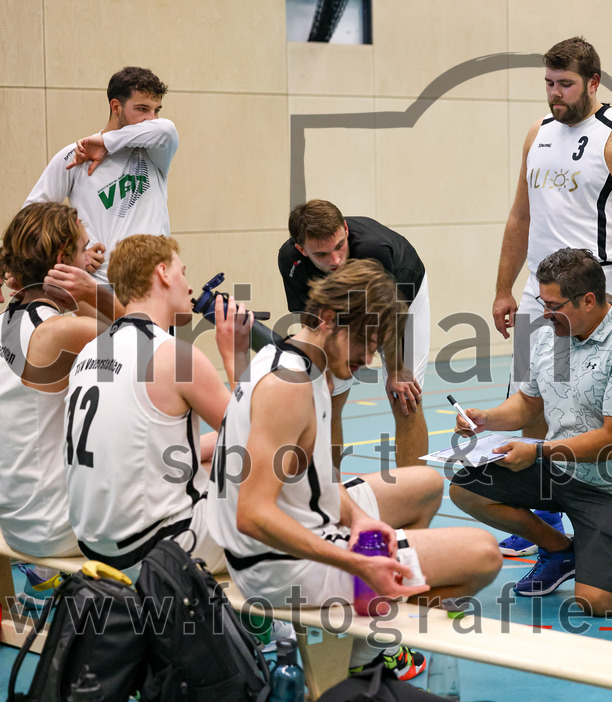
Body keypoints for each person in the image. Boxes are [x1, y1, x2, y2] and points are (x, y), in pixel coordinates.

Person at [209, 259, 502, 679]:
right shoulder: (289, 387)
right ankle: (372, 649)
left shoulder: (298, 359)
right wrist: (355, 562)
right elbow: (253, 513)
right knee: (483, 553)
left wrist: (362, 520)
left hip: (304, 522)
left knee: (422, 484)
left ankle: (372, 621)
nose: (369, 358)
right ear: (328, 320)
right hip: (278, 565)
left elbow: (318, 474)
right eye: (365, 342)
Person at [450, 248, 612, 615]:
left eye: (553, 305)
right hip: (560, 467)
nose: (545, 314)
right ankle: (564, 553)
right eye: (542, 303)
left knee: (597, 602)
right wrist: (486, 418)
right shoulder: (553, 335)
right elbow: (529, 403)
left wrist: (536, 453)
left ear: (589, 300)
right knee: (466, 489)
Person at [490, 36, 612, 557]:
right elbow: (521, 216)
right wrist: (503, 288)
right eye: (548, 83)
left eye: (564, 84)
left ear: (593, 82)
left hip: (593, 296)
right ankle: (543, 514)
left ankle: (598, 512)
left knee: (590, 417)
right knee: (534, 402)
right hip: (539, 294)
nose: (554, 94)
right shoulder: (537, 134)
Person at [64, 234, 251, 575]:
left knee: (207, 466)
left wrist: (205, 448)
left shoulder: (91, 350)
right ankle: (267, 623)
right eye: (183, 272)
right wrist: (234, 354)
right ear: (163, 273)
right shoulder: (175, 357)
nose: (189, 285)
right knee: (275, 496)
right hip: (161, 551)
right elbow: (253, 438)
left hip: (93, 544)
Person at [0, 202, 118, 606]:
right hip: (54, 526)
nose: (93, 259)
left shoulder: (9, 318)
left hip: (17, 517)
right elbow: (157, 345)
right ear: (61, 260)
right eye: (85, 250)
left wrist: (77, 286)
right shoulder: (63, 330)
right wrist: (94, 291)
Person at [278, 200, 428, 468]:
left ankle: (412, 497)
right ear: (302, 249)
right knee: (328, 399)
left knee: (405, 398)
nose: (335, 260)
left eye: (339, 246)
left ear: (345, 229)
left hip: (400, 298)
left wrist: (396, 370)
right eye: (321, 255)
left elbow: (390, 314)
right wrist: (320, 369)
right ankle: (330, 495)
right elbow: (310, 315)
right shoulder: (290, 260)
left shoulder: (374, 249)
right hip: (337, 305)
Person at [24, 67, 176, 284]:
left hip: (155, 284)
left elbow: (166, 129)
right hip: (101, 287)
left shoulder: (155, 151)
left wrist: (106, 143)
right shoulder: (75, 156)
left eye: (156, 110)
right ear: (116, 106)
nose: (152, 119)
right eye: (142, 109)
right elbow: (31, 219)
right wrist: (75, 254)